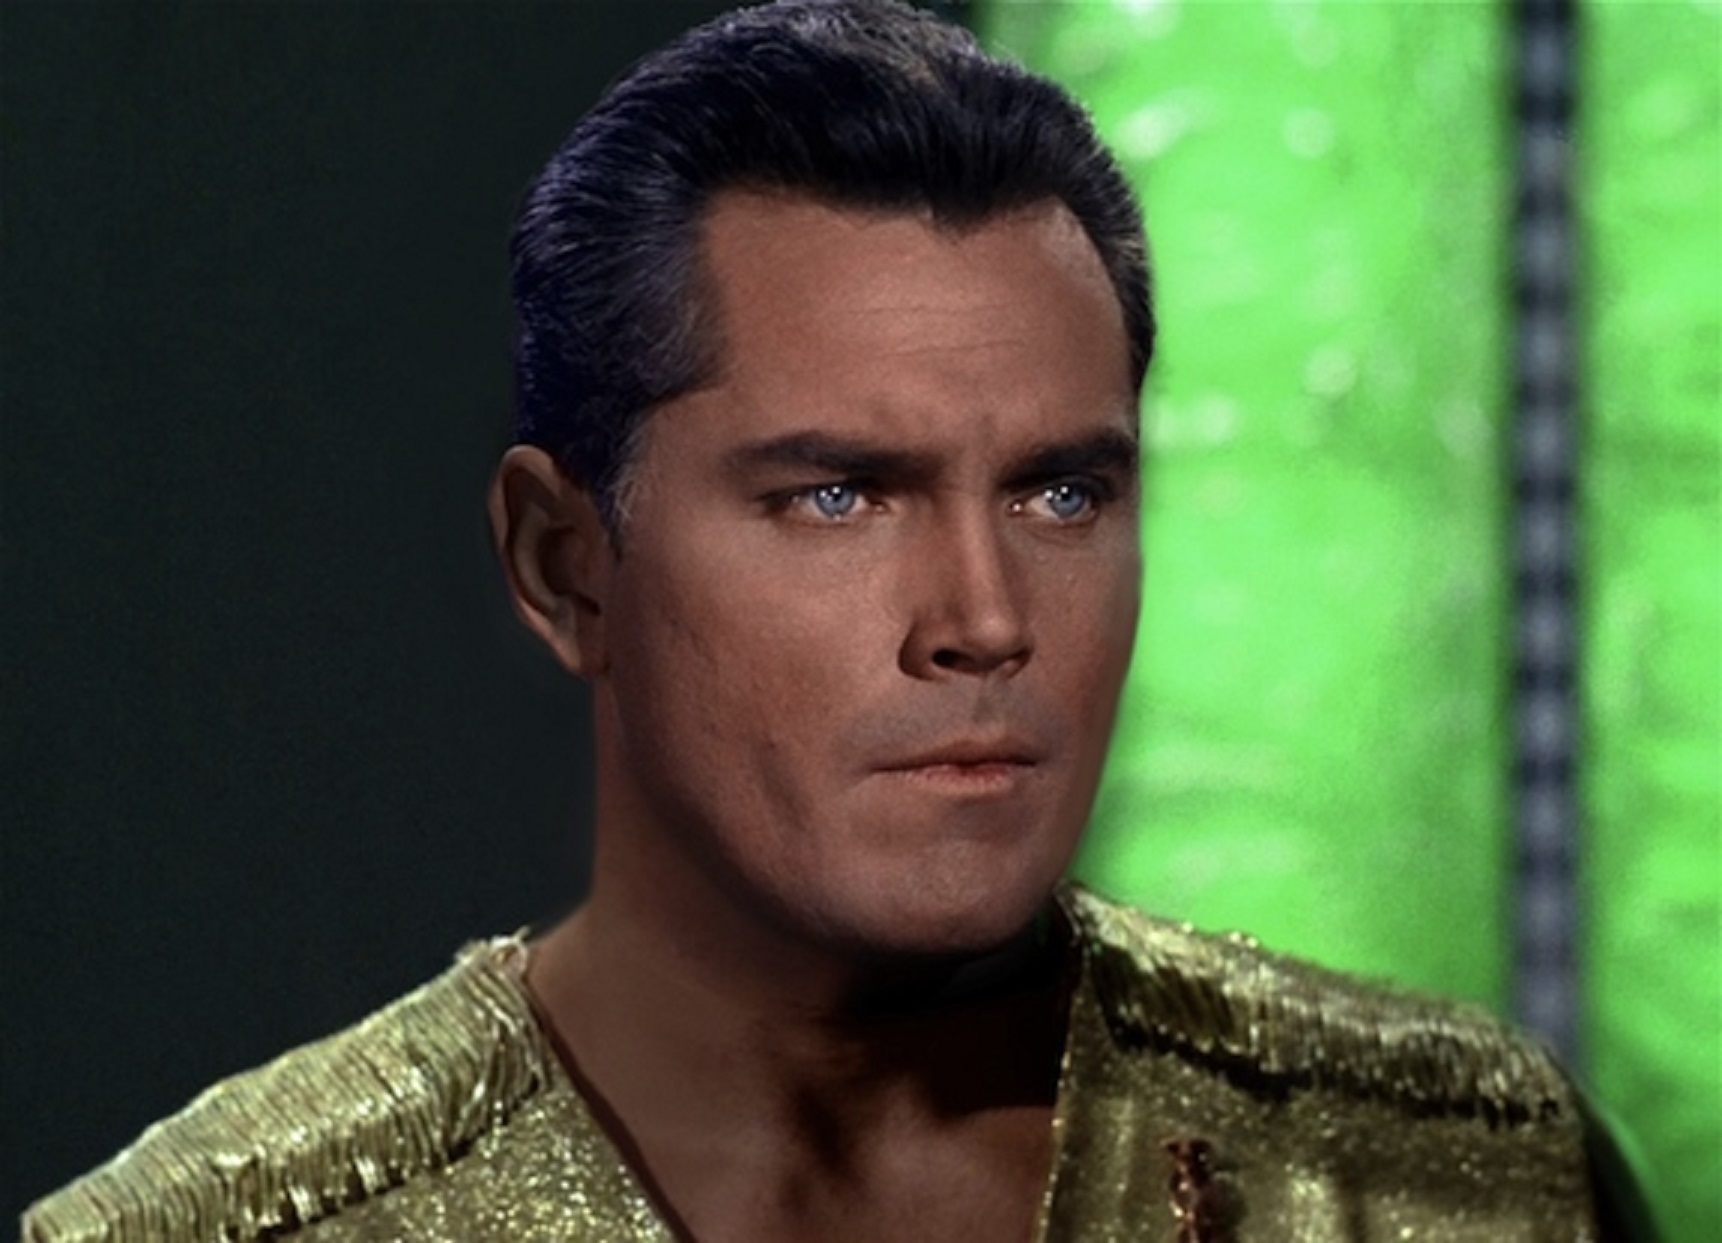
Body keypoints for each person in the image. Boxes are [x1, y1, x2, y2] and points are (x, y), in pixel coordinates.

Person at [22, 2, 1646, 1240]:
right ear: (565, 565)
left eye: (1060, 493)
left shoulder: (1465, 1183)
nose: (984, 620)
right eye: (837, 497)